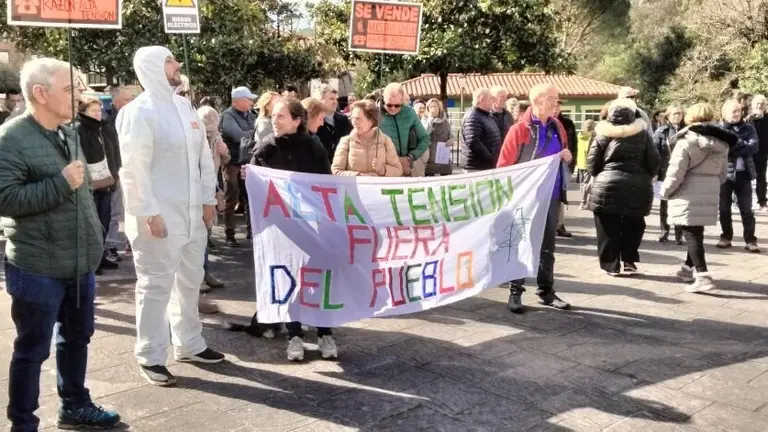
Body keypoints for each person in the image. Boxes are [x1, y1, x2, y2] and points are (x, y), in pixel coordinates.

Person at [0, 57, 121, 430]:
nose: (78, 95)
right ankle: (23, 423)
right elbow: (5, 198)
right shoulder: (11, 137)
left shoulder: (68, 132)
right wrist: (60, 183)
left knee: (78, 337)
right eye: (68, 88)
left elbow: (82, 191)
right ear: (40, 93)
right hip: (38, 266)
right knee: (33, 349)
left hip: (80, 261)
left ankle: (75, 404)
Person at [117, 46, 225, 387]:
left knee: (190, 281)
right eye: (169, 61)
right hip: (159, 217)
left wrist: (209, 198)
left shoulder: (184, 107)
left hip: (192, 216)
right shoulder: (139, 112)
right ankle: (150, 356)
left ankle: (189, 343)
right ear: (150, 67)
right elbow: (133, 168)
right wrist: (147, 212)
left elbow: (203, 158)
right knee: (155, 287)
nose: (177, 65)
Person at [249, 98, 336, 361]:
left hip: (311, 226)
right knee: (289, 280)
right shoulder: (265, 150)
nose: (274, 121)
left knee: (317, 280)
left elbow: (326, 186)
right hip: (280, 229)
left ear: (297, 120)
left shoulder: (314, 148)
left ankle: (325, 333)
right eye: (273, 116)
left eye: (281, 116)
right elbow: (254, 192)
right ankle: (294, 335)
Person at [497, 83, 573, 313]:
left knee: (547, 246)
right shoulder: (519, 130)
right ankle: (515, 292)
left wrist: (566, 156)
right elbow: (503, 167)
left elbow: (564, 153)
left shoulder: (557, 126)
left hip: (551, 195)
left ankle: (546, 291)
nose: (557, 104)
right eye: (554, 99)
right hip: (525, 198)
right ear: (539, 100)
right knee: (520, 243)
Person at [661, 103, 735, 293]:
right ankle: (687, 269)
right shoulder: (722, 144)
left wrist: (665, 192)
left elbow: (676, 172)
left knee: (691, 234)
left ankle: (703, 275)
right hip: (709, 189)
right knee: (696, 232)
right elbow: (723, 174)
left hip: (687, 191)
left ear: (690, 118)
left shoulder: (686, 142)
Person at [587, 98, 661, 276]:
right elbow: (655, 161)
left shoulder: (602, 134)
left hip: (608, 184)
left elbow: (592, 164)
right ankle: (629, 260)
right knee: (633, 224)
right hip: (638, 185)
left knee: (607, 226)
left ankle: (610, 265)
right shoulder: (643, 135)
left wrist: (601, 174)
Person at [76, 96, 119, 275]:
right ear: (83, 112)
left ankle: (100, 258)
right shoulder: (79, 130)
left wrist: (115, 174)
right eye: (93, 111)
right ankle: (93, 262)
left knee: (105, 221)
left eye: (99, 110)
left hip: (107, 182)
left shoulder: (102, 128)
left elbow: (112, 152)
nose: (97, 114)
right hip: (91, 185)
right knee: (93, 225)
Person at [717, 99, 760, 252]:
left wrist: (734, 145)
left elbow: (754, 147)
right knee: (723, 208)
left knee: (746, 209)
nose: (737, 114)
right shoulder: (719, 128)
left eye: (739, 111)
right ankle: (726, 236)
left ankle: (750, 240)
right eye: (733, 111)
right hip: (724, 174)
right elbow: (720, 149)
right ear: (725, 112)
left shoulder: (749, 128)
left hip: (744, 174)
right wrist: (742, 145)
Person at [220, 86, 257, 247]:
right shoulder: (227, 116)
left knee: (249, 197)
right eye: (248, 99)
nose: (251, 102)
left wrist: (251, 131)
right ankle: (230, 234)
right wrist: (254, 131)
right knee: (231, 198)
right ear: (238, 101)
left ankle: (252, 232)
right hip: (232, 163)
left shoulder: (250, 114)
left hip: (247, 161)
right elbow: (238, 136)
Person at [103, 86, 134, 262]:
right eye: (126, 100)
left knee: (131, 208)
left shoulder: (134, 116)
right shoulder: (108, 120)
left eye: (131, 99)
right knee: (115, 211)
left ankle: (130, 243)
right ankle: (110, 246)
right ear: (115, 102)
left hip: (130, 167)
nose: (130, 103)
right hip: (116, 170)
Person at [332, 99, 403, 177]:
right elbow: (336, 171)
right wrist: (360, 176)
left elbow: (398, 170)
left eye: (358, 118)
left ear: (371, 121)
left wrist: (382, 169)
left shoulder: (386, 141)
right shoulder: (345, 141)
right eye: (353, 118)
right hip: (354, 189)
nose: (354, 122)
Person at [379, 82, 431, 177]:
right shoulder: (374, 114)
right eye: (389, 105)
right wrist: (397, 160)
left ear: (402, 100)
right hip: (384, 168)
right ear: (383, 98)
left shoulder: (410, 112)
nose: (393, 108)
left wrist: (410, 157)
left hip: (408, 167)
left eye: (397, 105)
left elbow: (425, 139)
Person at [653, 104, 686, 244]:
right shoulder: (661, 132)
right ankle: (664, 232)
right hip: (665, 172)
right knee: (664, 204)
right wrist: (654, 172)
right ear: (668, 116)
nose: (677, 116)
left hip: (682, 172)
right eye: (674, 114)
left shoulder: (687, 130)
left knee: (680, 203)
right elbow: (655, 154)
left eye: (679, 113)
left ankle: (680, 234)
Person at [460, 88, 502, 173]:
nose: (493, 101)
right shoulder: (473, 116)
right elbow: (473, 141)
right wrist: (490, 157)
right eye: (490, 98)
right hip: (476, 167)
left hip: (485, 166)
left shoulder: (485, 115)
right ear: (482, 100)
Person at [555, 100, 578, 238]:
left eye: (558, 105)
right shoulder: (546, 123)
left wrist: (572, 163)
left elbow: (574, 144)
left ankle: (560, 224)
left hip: (565, 165)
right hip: (549, 166)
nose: (556, 107)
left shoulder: (568, 123)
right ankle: (555, 223)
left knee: (561, 195)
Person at [315, 85, 353, 162]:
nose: (335, 102)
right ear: (321, 100)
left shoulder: (343, 119)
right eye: (331, 99)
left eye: (336, 99)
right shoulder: (314, 121)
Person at [422, 98, 454, 176]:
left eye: (435, 106)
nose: (433, 108)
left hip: (443, 157)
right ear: (428, 109)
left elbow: (450, 134)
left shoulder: (445, 119)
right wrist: (431, 119)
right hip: (430, 158)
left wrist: (452, 139)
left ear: (439, 108)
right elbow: (425, 132)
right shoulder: (425, 119)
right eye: (431, 107)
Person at [747, 94, 768, 212]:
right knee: (746, 177)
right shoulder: (749, 119)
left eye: (762, 104)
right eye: (757, 104)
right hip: (750, 152)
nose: (760, 106)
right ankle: (745, 202)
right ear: (753, 105)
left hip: (762, 152)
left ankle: (762, 201)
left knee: (761, 178)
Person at [576, 119, 595, 209]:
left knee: (582, 183)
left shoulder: (579, 136)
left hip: (581, 163)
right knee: (587, 183)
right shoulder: (592, 137)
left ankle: (583, 201)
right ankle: (583, 202)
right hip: (589, 163)